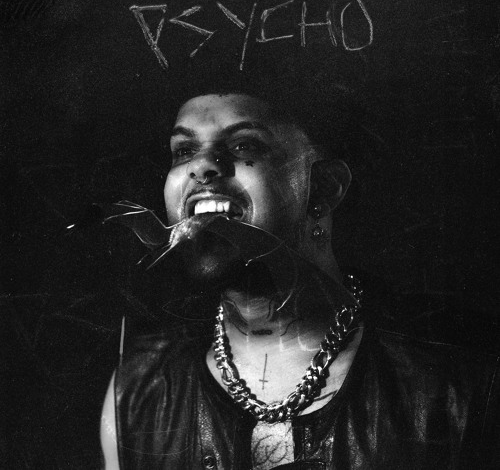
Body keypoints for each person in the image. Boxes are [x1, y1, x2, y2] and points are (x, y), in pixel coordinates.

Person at [100, 91, 500, 469]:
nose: (201, 166)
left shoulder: (466, 378)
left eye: (244, 145)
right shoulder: (136, 390)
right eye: (184, 150)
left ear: (323, 188)